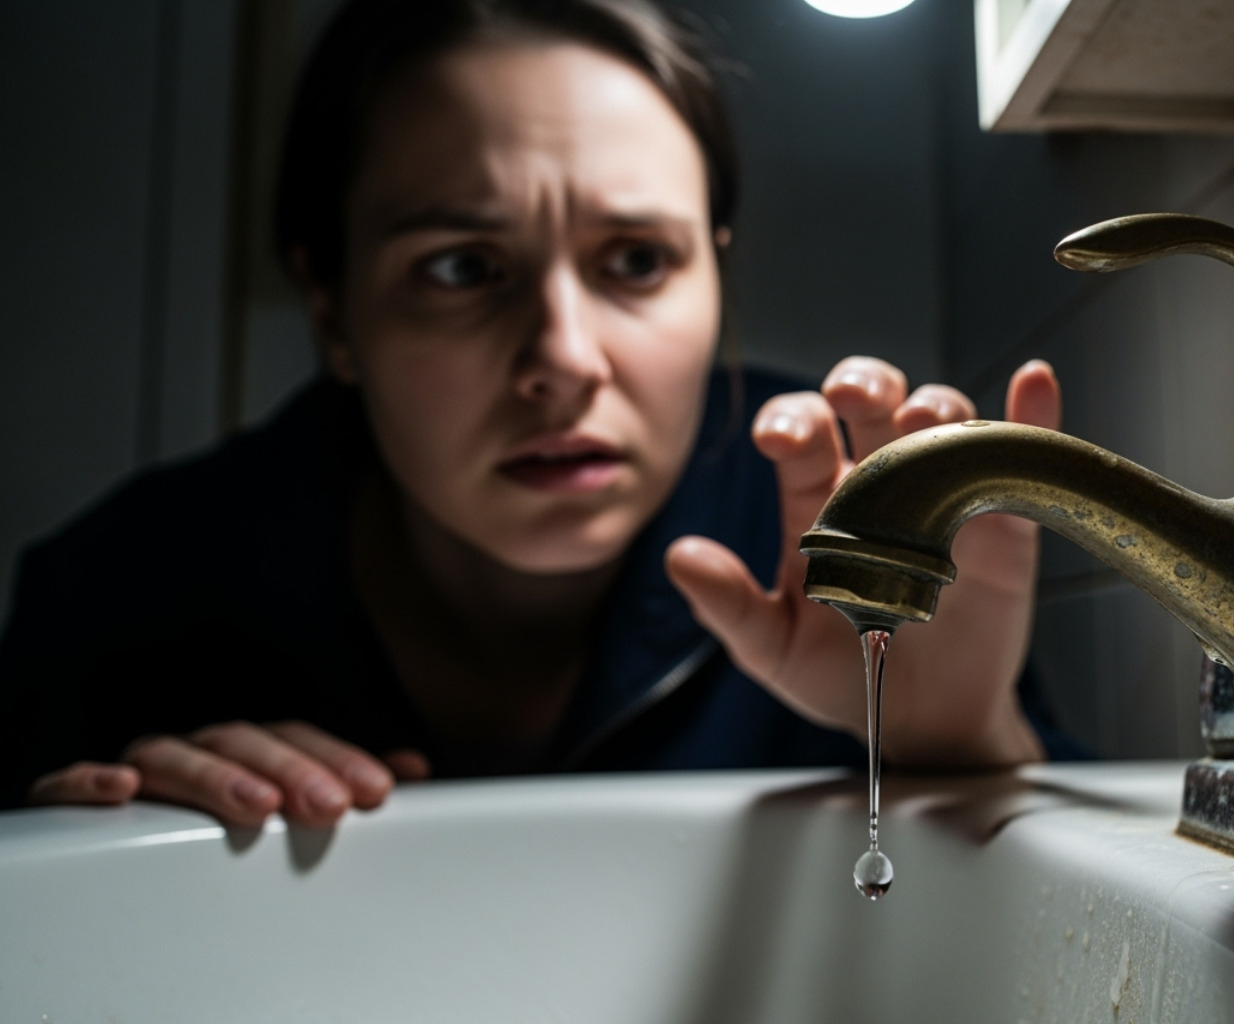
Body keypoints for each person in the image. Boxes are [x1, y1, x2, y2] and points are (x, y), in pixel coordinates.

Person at [0, 0, 1071, 827]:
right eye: (463, 267)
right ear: (331, 307)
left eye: (638, 261)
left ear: (715, 271)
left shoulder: (858, 529)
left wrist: (966, 739)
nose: (562, 360)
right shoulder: (118, 601)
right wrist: (80, 860)